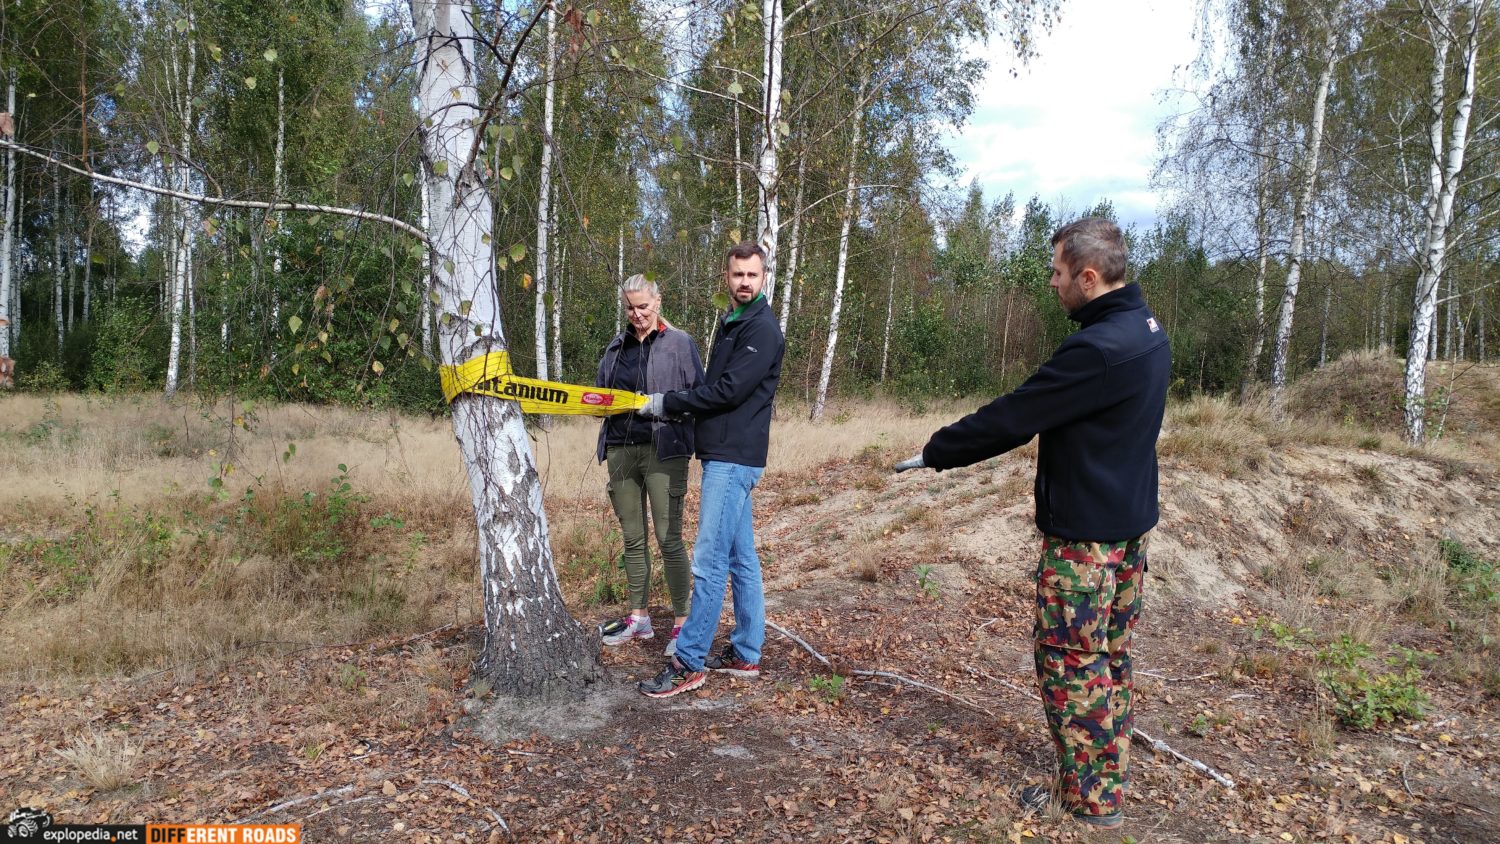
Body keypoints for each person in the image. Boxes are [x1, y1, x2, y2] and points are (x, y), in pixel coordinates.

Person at [895, 217, 1170, 830]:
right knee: (1107, 655)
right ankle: (1105, 773)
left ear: (1089, 277)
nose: (1052, 282)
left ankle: (1091, 800)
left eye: (1058, 272)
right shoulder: (1146, 329)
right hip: (1127, 533)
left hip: (1087, 543)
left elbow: (1016, 414)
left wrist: (936, 450)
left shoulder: (1096, 350)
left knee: (1072, 663)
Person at [635, 241, 785, 698]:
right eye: (737, 275)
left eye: (752, 276)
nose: (744, 282)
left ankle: (689, 662)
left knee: (709, 560)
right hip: (724, 453)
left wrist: (667, 403)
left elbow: (728, 391)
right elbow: (712, 386)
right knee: (741, 558)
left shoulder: (763, 329)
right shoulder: (734, 323)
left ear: (764, 278)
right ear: (728, 277)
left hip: (734, 459)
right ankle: (745, 652)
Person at [594, 274, 705, 657]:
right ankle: (638, 618)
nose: (637, 314)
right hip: (621, 450)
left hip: (666, 449)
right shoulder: (614, 348)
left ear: (657, 302)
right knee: (632, 538)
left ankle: (682, 624)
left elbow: (699, 397)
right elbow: (598, 398)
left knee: (669, 538)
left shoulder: (679, 343)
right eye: (630, 307)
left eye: (643, 306)